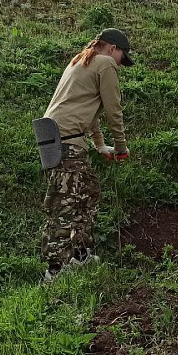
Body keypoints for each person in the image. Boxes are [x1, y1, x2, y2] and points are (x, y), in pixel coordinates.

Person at [39, 28, 133, 282]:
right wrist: (121, 146)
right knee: (65, 204)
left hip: (57, 138)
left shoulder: (81, 60)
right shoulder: (104, 63)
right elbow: (113, 109)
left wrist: (100, 145)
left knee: (88, 193)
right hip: (66, 141)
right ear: (113, 48)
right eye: (121, 58)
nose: (120, 65)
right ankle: (54, 271)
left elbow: (89, 111)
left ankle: (80, 255)